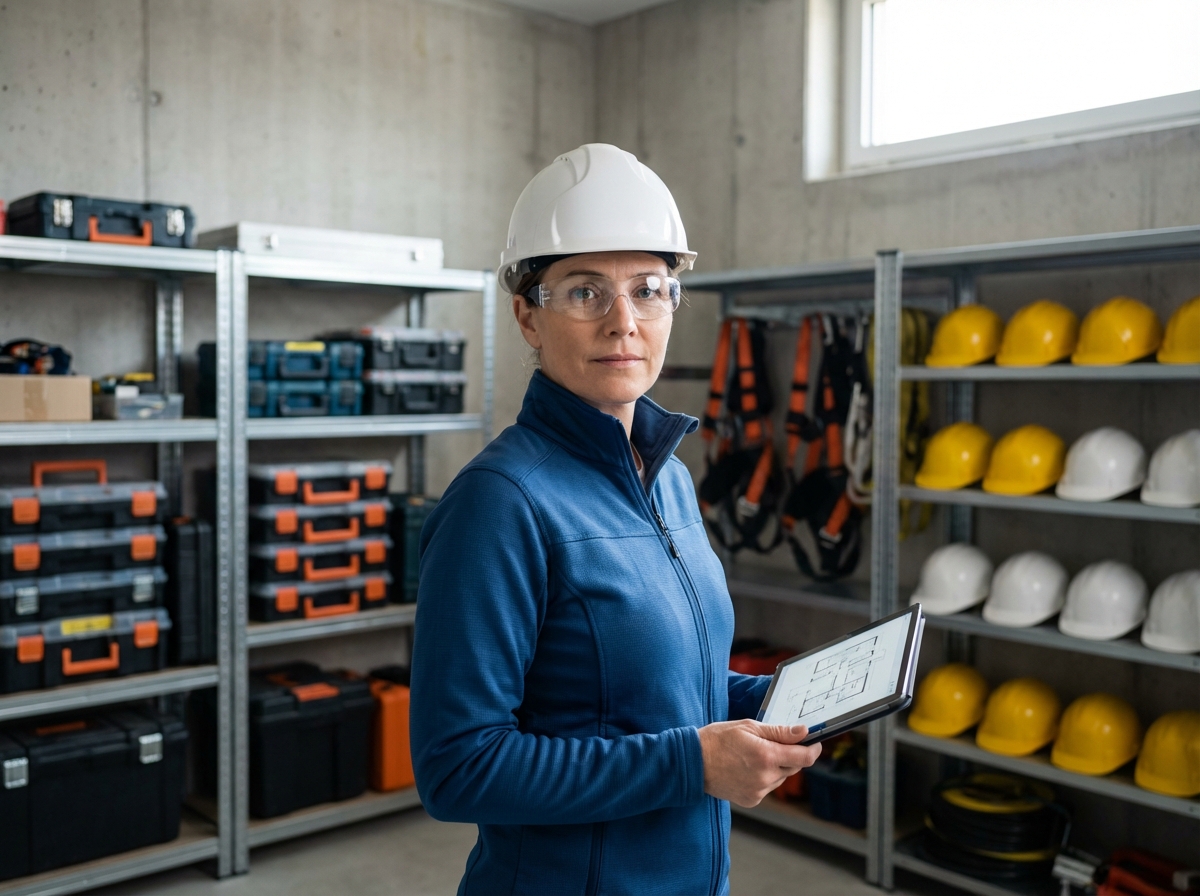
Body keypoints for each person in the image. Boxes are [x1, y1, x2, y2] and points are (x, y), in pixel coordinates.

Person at [410, 143, 822, 895]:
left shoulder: (667, 477)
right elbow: (459, 767)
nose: (623, 322)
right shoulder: (498, 503)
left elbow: (645, 689)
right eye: (584, 292)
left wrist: (774, 702)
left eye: (649, 289)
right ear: (528, 316)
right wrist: (693, 763)